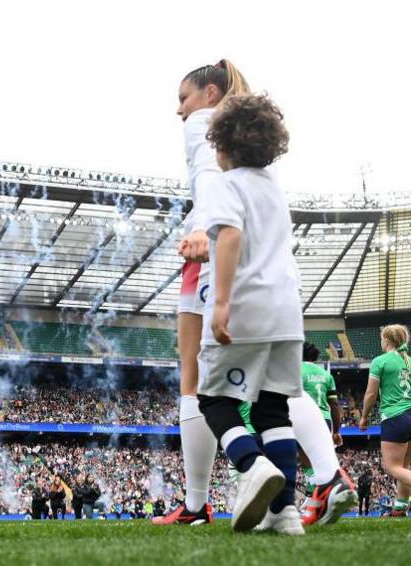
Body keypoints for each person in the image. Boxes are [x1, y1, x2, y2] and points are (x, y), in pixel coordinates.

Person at [196, 94, 304, 535]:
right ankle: (286, 513)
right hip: (287, 313)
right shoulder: (273, 187)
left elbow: (230, 237)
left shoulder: (227, 183)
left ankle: (251, 463)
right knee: (273, 410)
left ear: (222, 142)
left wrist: (221, 302)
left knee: (213, 399)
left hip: (247, 306)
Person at [155, 58, 250, 527]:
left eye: (183, 97)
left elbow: (208, 180)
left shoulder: (202, 122)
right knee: (273, 380)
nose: (180, 110)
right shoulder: (246, 131)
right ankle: (325, 475)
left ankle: (196, 504)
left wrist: (198, 229)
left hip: (211, 247)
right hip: (253, 253)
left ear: (209, 94)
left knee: (191, 377)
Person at [297, 342, 357, 525]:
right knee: (317, 459)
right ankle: (317, 496)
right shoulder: (325, 375)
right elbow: (335, 405)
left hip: (305, 416)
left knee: (305, 459)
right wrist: (336, 431)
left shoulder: (297, 370)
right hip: (325, 420)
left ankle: (314, 494)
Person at [360, 324, 411, 517]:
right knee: (404, 466)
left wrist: (364, 417)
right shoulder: (410, 361)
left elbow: (371, 393)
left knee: (392, 467)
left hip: (395, 416)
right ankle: (399, 508)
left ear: (387, 340)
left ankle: (400, 506)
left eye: (382, 339)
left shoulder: (380, 361)